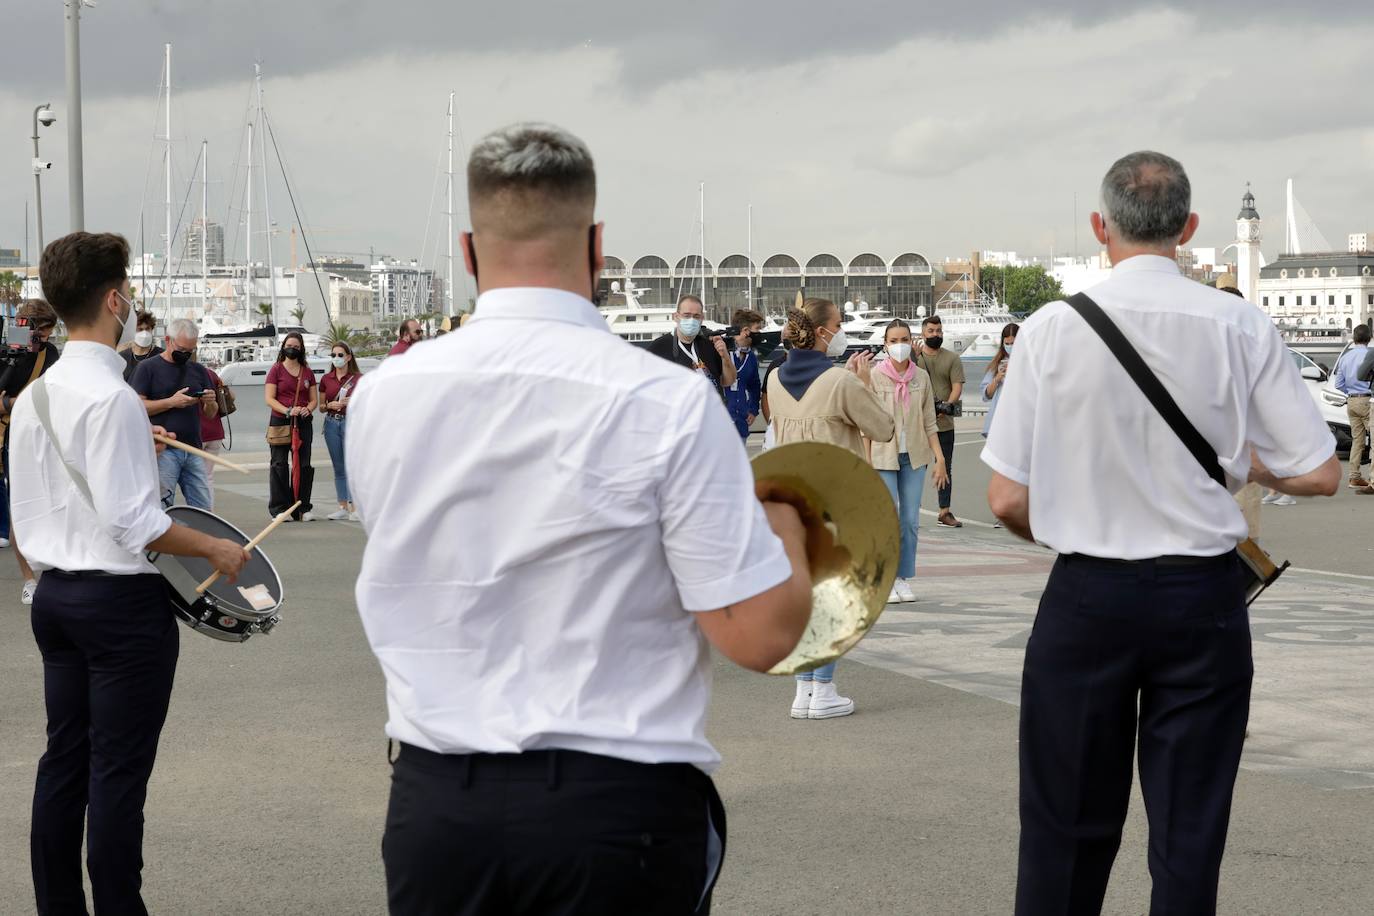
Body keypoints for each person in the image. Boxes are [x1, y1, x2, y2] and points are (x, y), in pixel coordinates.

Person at [347, 122, 813, 916]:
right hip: (615, 808)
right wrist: (791, 529)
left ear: (467, 250)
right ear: (597, 244)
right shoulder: (666, 400)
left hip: (437, 802)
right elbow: (758, 636)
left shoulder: (384, 395)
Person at [983, 151, 1340, 915]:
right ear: (1189, 227)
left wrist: (1077, 532)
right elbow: (1319, 473)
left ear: (1098, 225)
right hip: (1202, 597)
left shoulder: (1051, 329)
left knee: (1063, 828)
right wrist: (1244, 464)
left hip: (1086, 591)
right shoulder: (1241, 323)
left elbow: (1007, 497)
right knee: (1188, 830)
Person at [11, 231, 248, 916]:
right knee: (116, 774)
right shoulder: (112, 399)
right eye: (131, 294)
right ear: (114, 299)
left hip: (53, 599)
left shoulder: (36, 397)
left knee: (63, 765)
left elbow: (26, 520)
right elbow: (138, 525)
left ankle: (59, 906)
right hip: (119, 611)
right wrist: (217, 551)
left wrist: (41, 583)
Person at [767, 296, 894, 720]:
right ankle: (823, 690)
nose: (841, 331)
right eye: (838, 324)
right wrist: (866, 381)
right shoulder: (840, 380)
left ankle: (804, 688)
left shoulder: (774, 380)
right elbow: (883, 427)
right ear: (822, 332)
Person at [868, 319, 948, 603]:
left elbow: (929, 423)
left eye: (904, 339)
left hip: (914, 457)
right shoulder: (875, 377)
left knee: (910, 520)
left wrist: (940, 459)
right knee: (889, 517)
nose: (899, 345)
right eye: (893, 340)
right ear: (885, 345)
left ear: (911, 341)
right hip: (882, 456)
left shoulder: (921, 378)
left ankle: (902, 577)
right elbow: (867, 423)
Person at [0, 299, 61, 603]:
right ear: (25, 328)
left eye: (48, 335)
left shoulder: (51, 354)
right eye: (41, 334)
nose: (45, 341)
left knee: (51, 502)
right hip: (9, 437)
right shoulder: (6, 353)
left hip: (44, 435)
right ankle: (29, 580)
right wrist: (13, 404)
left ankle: (52, 570)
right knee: (19, 508)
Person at [131, 318, 218, 510]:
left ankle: (201, 539)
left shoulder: (198, 370)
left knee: (204, 508)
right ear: (168, 340)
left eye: (191, 351)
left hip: (193, 448)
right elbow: (136, 407)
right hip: (164, 449)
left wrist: (210, 402)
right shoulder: (148, 368)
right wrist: (171, 402)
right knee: (161, 506)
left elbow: (211, 414)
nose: (186, 354)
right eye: (182, 349)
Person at [915, 315, 965, 528]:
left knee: (946, 467)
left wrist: (945, 408)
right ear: (923, 334)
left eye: (939, 331)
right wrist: (911, 357)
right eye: (931, 331)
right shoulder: (914, 357)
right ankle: (910, 511)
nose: (936, 335)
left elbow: (957, 386)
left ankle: (944, 511)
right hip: (917, 425)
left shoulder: (952, 358)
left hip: (944, 425)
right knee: (915, 468)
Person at [264, 332, 317, 522]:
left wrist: (307, 410)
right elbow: (269, 398)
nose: (292, 349)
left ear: (301, 349)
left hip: (302, 423)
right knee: (279, 464)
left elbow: (313, 401)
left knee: (303, 465)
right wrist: (287, 410)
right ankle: (280, 509)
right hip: (280, 421)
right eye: (289, 345)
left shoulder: (307, 372)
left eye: (296, 346)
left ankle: (302, 508)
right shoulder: (276, 369)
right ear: (283, 347)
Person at [646, 295, 737, 395]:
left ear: (702, 319)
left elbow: (728, 381)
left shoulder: (710, 345)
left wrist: (725, 357)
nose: (692, 320)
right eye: (686, 315)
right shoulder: (658, 348)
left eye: (696, 316)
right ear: (676, 317)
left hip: (710, 408)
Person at [320, 340, 362, 521]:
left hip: (350, 422)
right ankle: (342, 506)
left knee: (352, 464)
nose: (336, 358)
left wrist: (351, 402)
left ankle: (355, 506)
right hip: (331, 422)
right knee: (338, 466)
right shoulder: (326, 379)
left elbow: (366, 402)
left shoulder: (358, 378)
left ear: (348, 357)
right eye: (333, 355)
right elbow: (321, 406)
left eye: (340, 355)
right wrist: (330, 404)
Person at [1333, 324, 1372, 492]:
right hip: (1368, 401)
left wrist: (1351, 392)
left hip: (1352, 401)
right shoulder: (1370, 355)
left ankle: (1354, 477)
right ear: (1369, 338)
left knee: (1358, 440)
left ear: (1354, 338)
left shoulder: (1345, 357)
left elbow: (1338, 384)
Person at [722, 308, 764, 441]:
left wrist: (753, 409)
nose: (759, 333)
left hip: (741, 423)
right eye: (757, 329)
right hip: (720, 422)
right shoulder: (721, 351)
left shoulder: (751, 357)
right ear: (746, 331)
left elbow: (754, 385)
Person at [199, 362, 228, 509]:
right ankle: (208, 511)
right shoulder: (211, 374)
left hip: (198, 434)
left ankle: (199, 511)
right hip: (215, 431)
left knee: (195, 478)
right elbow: (230, 395)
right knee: (208, 476)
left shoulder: (186, 374)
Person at [119, 310, 162, 382]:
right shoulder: (122, 357)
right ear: (132, 331)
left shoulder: (161, 356)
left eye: (147, 329)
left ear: (152, 329)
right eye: (140, 329)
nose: (144, 333)